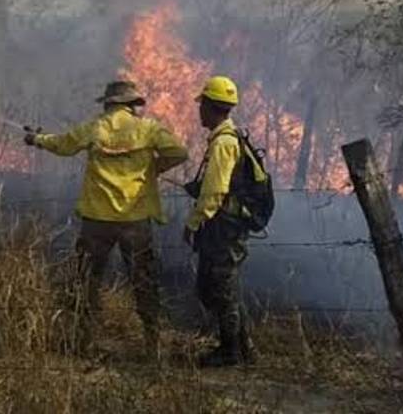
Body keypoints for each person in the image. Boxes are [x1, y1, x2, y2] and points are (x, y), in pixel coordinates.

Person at [25, 79, 188, 357]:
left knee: (87, 280)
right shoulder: (148, 128)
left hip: (97, 219)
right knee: (143, 281)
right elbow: (180, 152)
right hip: (135, 219)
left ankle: (84, 343)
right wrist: (154, 168)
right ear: (131, 105)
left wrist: (37, 139)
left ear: (109, 104)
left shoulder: (95, 127)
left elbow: (63, 145)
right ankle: (152, 346)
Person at [183, 75, 260, 367]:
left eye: (202, 105)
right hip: (225, 224)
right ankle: (243, 348)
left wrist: (193, 222)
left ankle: (231, 352)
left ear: (212, 107)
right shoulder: (227, 138)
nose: (199, 110)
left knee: (220, 287)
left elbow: (216, 191)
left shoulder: (224, 143)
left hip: (223, 228)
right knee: (219, 285)